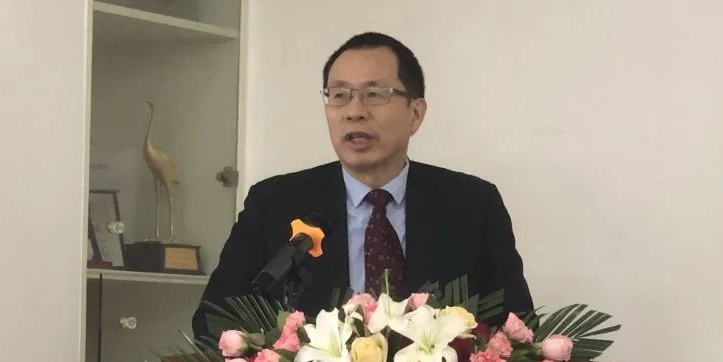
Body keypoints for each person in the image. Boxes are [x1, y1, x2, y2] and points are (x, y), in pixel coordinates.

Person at [192, 32, 532, 336]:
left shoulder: (471, 206)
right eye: (339, 95)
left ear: (415, 114)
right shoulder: (274, 203)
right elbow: (215, 321)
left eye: (374, 94)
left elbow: (517, 331)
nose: (354, 111)